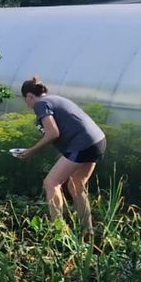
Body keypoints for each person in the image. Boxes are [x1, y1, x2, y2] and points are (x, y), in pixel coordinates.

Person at [13, 77, 107, 233]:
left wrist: (30, 151)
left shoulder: (41, 104)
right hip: (97, 141)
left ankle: (58, 232)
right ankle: (88, 232)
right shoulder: (55, 99)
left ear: (29, 96)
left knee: (51, 183)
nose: (28, 105)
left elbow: (52, 133)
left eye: (26, 101)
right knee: (77, 185)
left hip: (82, 144)